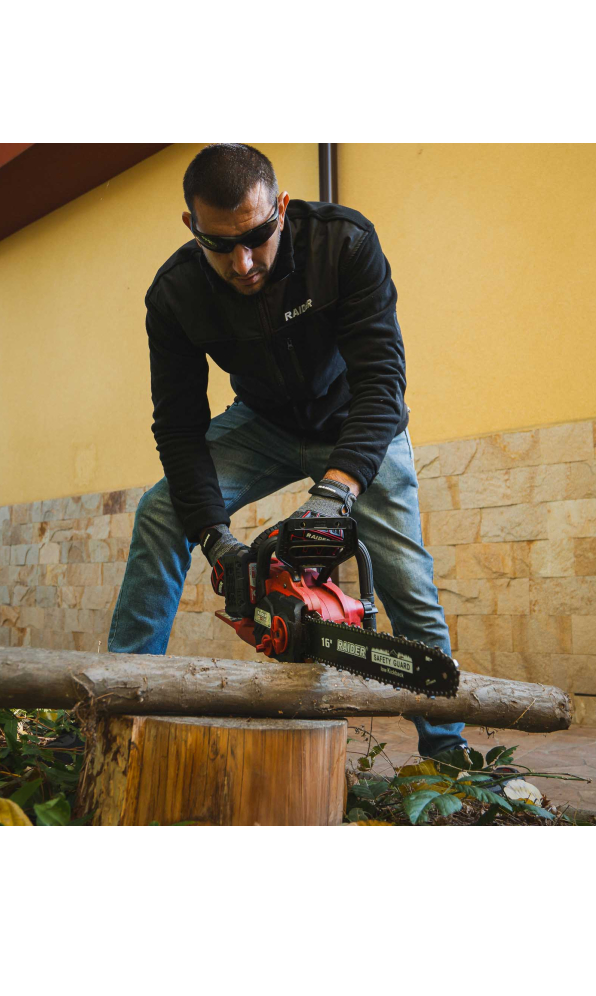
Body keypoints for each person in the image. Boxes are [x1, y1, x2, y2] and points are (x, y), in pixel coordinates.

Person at [107, 143, 466, 758]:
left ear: (282, 207)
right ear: (192, 226)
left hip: (356, 421)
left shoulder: (344, 243)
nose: (243, 262)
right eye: (221, 245)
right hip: (262, 423)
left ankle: (448, 753)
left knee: (407, 580)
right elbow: (179, 429)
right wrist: (216, 540)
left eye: (257, 237)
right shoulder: (174, 294)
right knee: (161, 511)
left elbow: (383, 385)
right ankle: (119, 714)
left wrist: (335, 493)